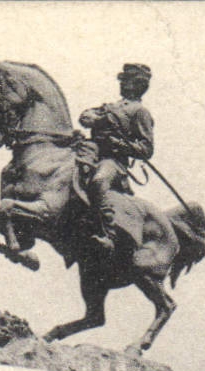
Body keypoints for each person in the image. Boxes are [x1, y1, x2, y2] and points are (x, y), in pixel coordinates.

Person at [77, 63, 155, 251]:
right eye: (122, 80)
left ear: (138, 86)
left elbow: (146, 149)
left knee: (98, 181)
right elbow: (84, 117)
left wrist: (119, 144)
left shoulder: (139, 112)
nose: (122, 84)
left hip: (113, 161)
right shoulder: (111, 106)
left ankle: (108, 234)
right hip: (89, 152)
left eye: (127, 81)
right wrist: (93, 117)